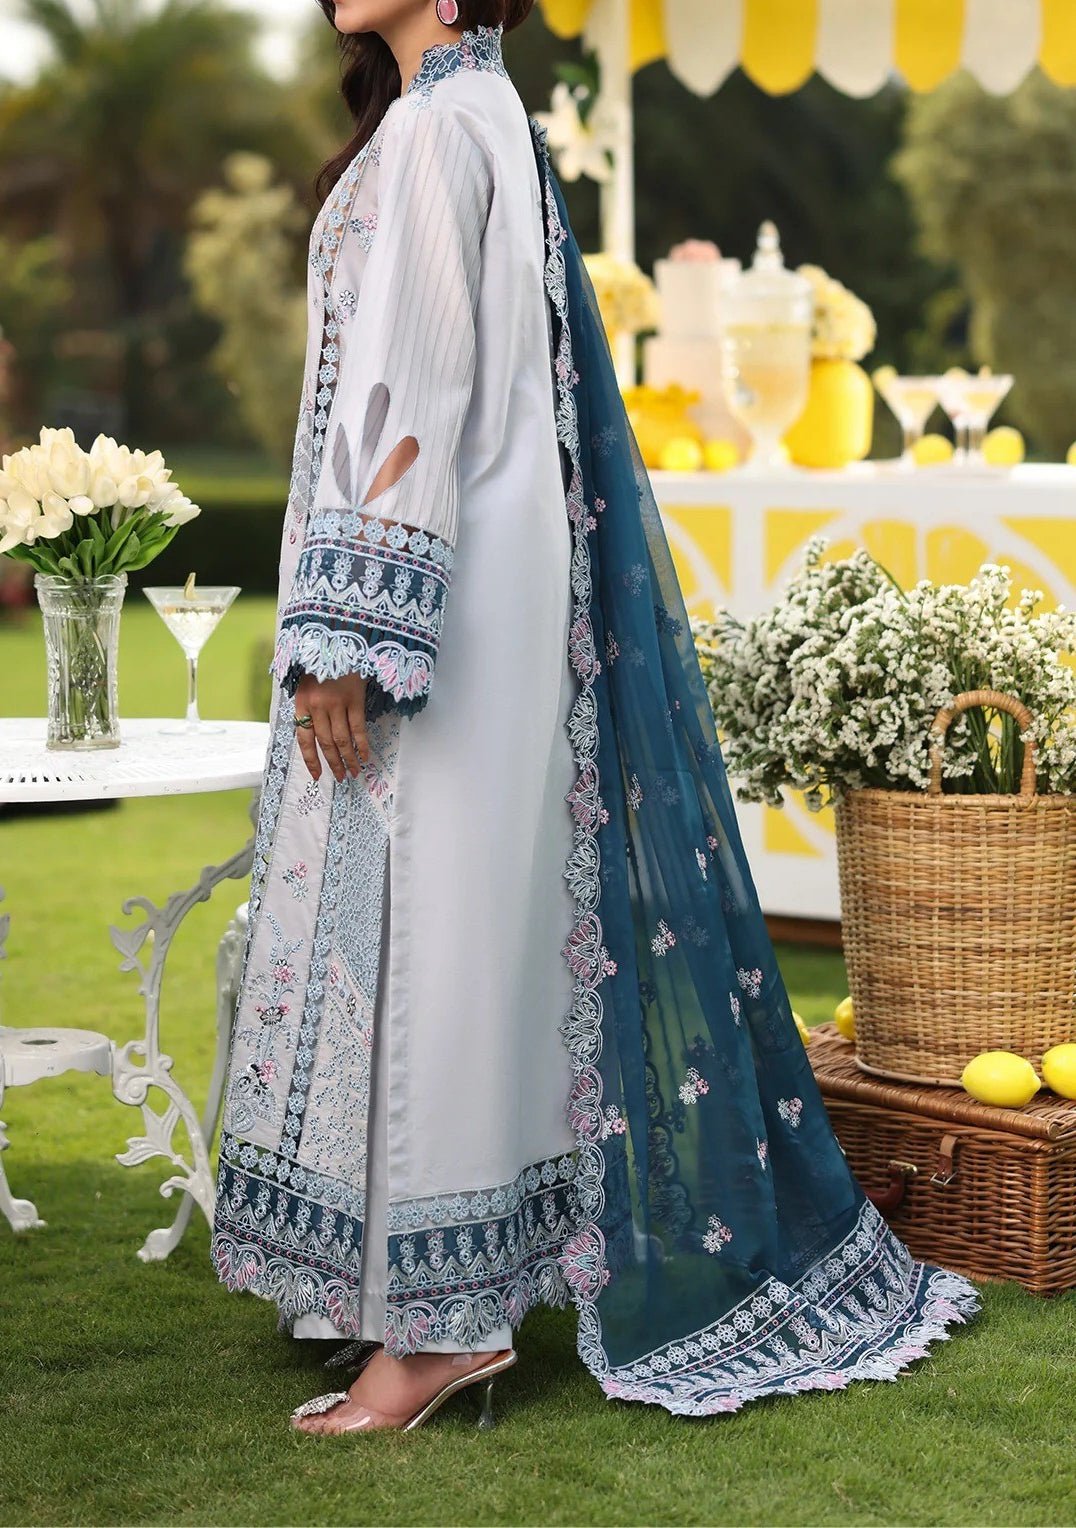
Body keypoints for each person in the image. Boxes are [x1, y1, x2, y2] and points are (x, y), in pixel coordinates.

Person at [211, 0, 980, 1434]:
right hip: (484, 598)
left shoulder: (441, 128)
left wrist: (348, 636)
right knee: (459, 946)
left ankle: (438, 1331)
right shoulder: (476, 113)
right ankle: (419, 1295)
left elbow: (411, 390)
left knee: (434, 948)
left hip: (430, 610)